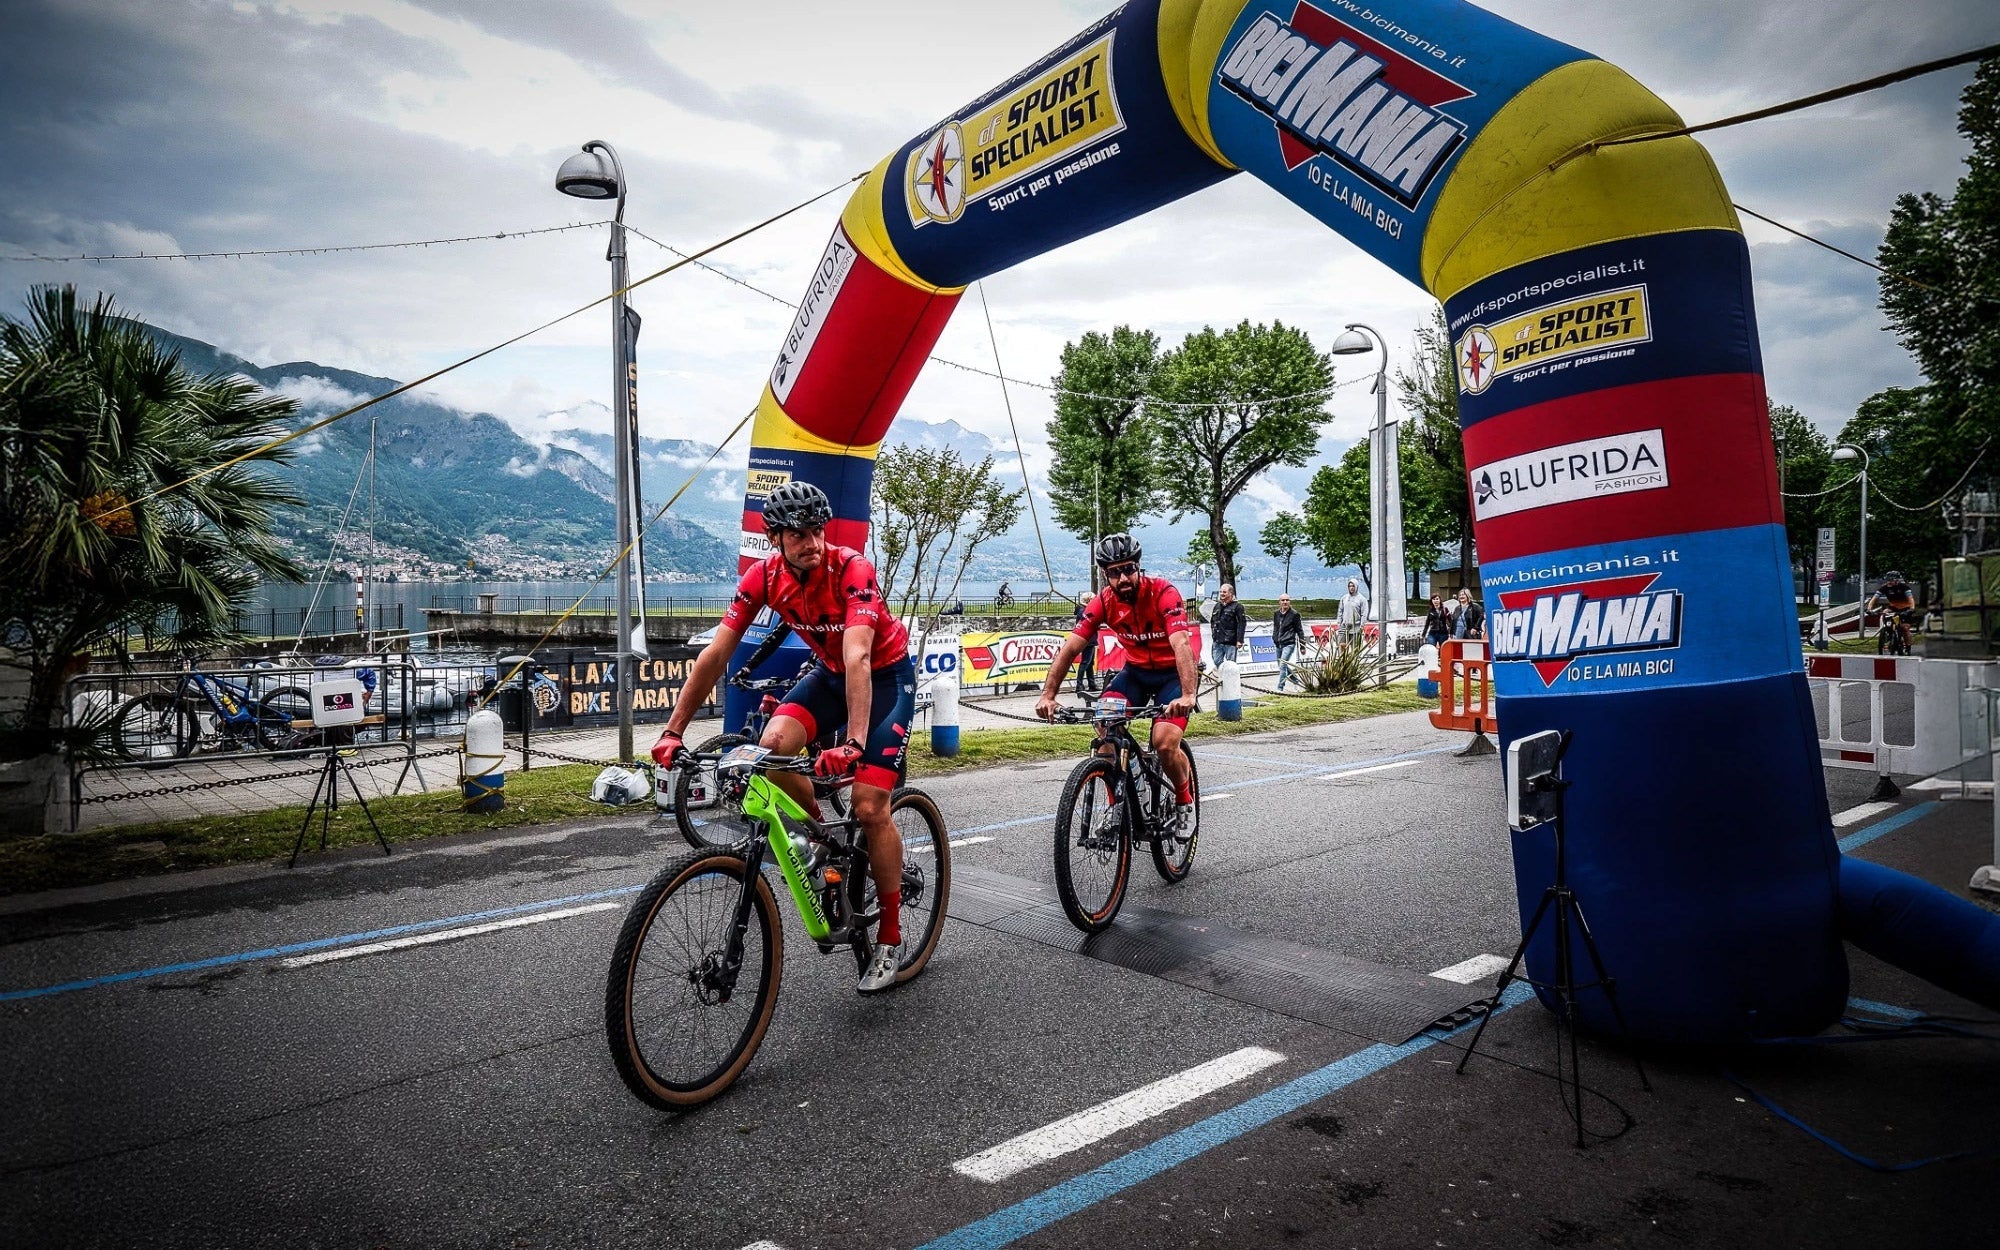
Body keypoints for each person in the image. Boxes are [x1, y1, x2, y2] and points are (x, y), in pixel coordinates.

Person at [647, 480, 915, 994]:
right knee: (770, 748)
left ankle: (890, 936)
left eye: (817, 530)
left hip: (885, 678)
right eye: (798, 534)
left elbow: (860, 655)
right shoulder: (761, 578)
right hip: (831, 676)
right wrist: (673, 729)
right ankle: (817, 834)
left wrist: (854, 743)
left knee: (869, 806)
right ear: (775, 538)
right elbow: (716, 655)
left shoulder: (853, 569)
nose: (811, 541)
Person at [1035, 534, 1201, 839]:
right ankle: (1120, 796)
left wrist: (1188, 695)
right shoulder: (1103, 603)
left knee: (1164, 743)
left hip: (1171, 676)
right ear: (1104, 575)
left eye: (1128, 569)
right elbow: (1070, 649)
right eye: (1114, 572)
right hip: (1135, 672)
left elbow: (1181, 645)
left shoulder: (1164, 592)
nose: (1123, 578)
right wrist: (1048, 695)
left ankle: (1183, 800)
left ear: (1138, 567)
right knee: (1105, 724)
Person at [1866, 570, 1919, 651]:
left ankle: (1907, 645)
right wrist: (1869, 609)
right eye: (1887, 580)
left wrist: (1911, 609)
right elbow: (1874, 599)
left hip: (1906, 608)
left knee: (1904, 628)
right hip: (1893, 607)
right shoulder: (1884, 588)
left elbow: (1910, 599)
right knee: (1885, 613)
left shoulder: (1904, 587)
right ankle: (1887, 633)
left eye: (1891, 580)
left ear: (1897, 580)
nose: (1889, 582)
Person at [1209, 583, 1247, 668]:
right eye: (1221, 592)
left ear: (1230, 593)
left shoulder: (1238, 607)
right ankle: (1222, 677)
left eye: (1224, 592)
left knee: (1230, 665)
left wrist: (1240, 640)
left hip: (1230, 641)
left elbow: (1242, 624)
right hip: (1217, 640)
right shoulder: (1217, 606)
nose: (1222, 594)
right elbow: (1212, 621)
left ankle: (1229, 680)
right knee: (1216, 661)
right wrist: (1213, 634)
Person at [1271, 593, 1304, 691]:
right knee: (1281, 665)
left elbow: (1300, 630)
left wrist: (1302, 646)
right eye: (1283, 600)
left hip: (1289, 643)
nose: (1285, 602)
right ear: (1279, 602)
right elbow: (1276, 627)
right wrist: (1274, 637)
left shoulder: (1294, 614)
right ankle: (1295, 680)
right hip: (1278, 643)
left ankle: (1280, 688)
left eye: (1287, 600)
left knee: (1282, 664)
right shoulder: (1276, 613)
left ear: (1290, 602)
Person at [1072, 592, 1098, 695]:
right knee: (1085, 662)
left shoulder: (1084, 611)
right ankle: (1079, 685)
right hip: (1087, 640)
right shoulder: (1083, 612)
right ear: (1088, 601)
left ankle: (1091, 684)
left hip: (1090, 639)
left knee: (1090, 663)